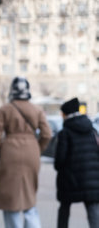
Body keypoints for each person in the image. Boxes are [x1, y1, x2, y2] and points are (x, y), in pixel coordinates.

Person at [0, 76, 52, 228]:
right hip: (32, 152)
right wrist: (37, 149)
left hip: (10, 152)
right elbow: (47, 134)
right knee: (29, 195)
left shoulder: (5, 109)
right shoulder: (37, 110)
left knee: (10, 198)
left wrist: (1, 151)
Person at [54, 97, 99, 228]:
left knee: (64, 209)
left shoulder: (64, 133)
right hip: (91, 178)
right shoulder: (92, 130)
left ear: (66, 114)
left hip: (70, 179)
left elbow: (60, 160)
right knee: (93, 209)